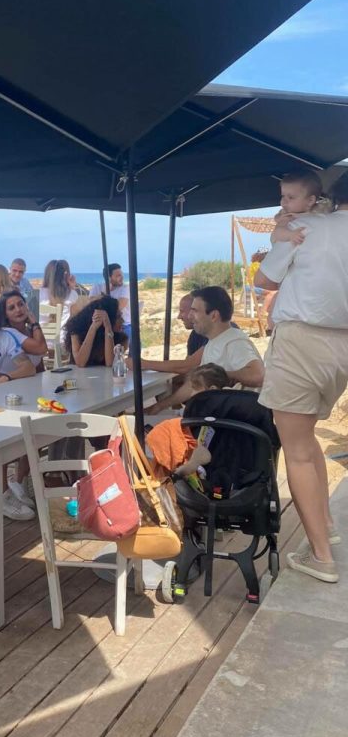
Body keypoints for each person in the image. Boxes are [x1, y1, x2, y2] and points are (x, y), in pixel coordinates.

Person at [254, 173, 348, 584]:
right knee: (308, 440)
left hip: (301, 342)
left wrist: (280, 233)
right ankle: (326, 524)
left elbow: (264, 280)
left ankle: (322, 557)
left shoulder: (306, 227)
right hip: (342, 349)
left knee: (296, 450)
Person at [138, 287, 263, 408]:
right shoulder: (214, 342)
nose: (190, 316)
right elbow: (194, 385)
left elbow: (258, 376)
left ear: (214, 316)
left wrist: (220, 375)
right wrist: (159, 406)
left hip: (232, 419)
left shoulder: (234, 341)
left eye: (195, 311)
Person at [0, 290, 49, 519]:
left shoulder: (28, 331)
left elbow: (39, 364)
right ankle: (4, 491)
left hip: (28, 391)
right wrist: (35, 321)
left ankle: (19, 481)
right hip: (7, 392)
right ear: (5, 314)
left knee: (36, 433)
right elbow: (42, 348)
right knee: (8, 440)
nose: (18, 309)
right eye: (12, 307)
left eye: (21, 304)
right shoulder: (9, 333)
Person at [64, 295, 128, 368]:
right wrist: (93, 328)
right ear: (111, 318)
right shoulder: (76, 328)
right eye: (118, 317)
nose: (122, 321)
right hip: (79, 374)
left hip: (105, 375)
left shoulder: (122, 338)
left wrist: (108, 327)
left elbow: (110, 363)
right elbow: (80, 362)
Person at [39, 259, 80, 332]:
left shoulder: (37, 294)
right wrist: (72, 287)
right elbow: (77, 318)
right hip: (61, 338)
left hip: (39, 338)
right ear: (66, 276)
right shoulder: (71, 294)